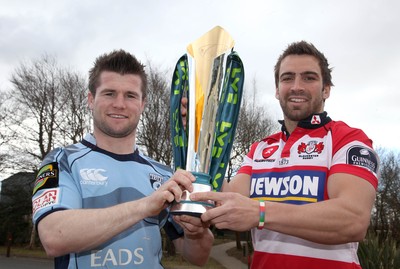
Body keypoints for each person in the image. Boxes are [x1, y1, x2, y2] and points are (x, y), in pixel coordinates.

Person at [190, 41, 379, 268]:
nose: (296, 86)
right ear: (278, 90)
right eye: (287, 78)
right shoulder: (260, 148)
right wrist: (200, 136)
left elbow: (353, 220)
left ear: (326, 89)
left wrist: (261, 213)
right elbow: (228, 197)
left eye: (309, 78)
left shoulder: (348, 139)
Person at [31, 49, 213, 268]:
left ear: (143, 104)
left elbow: (198, 257)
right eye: (109, 93)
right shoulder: (62, 161)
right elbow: (54, 237)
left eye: (130, 95)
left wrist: (197, 232)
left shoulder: (163, 174)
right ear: (91, 99)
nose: (119, 104)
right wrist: (146, 206)